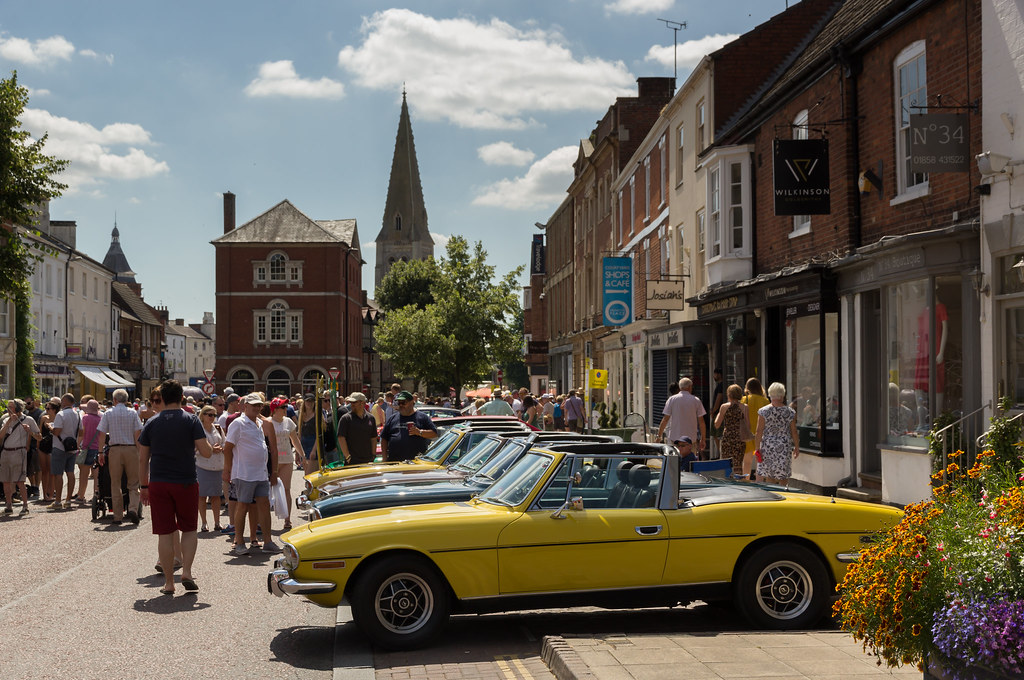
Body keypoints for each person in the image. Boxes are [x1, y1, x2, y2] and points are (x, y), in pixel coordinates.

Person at [139, 380, 211, 595]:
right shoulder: (191, 420)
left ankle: (169, 582)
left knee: (165, 532)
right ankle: (186, 571)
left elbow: (143, 459)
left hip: (159, 482)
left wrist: (143, 485)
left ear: (162, 398)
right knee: (189, 528)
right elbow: (206, 452)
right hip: (186, 480)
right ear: (181, 397)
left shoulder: (151, 423)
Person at [222, 393, 279, 555]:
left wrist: (272, 472)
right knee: (243, 506)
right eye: (253, 405)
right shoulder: (238, 424)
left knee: (264, 505)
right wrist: (227, 470)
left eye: (259, 405)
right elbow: (227, 448)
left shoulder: (260, 423)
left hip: (260, 473)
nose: (256, 408)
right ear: (244, 406)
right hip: (244, 474)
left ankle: (267, 541)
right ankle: (240, 542)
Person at [96, 388, 144, 524]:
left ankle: (117, 516)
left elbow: (101, 434)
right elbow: (137, 434)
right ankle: (133, 509)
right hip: (131, 449)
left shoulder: (108, 413)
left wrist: (100, 452)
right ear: (127, 400)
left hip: (115, 450)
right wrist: (139, 451)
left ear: (115, 400)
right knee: (133, 483)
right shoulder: (133, 413)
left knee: (115, 483)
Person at [754, 382, 799, 486]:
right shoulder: (790, 412)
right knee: (783, 476)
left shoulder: (763, 411)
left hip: (768, 445)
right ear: (782, 395)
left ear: (770, 394)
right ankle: (784, 495)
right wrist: (797, 446)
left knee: (770, 475)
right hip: (784, 446)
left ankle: (773, 496)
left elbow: (759, 431)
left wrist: (757, 448)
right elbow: (794, 431)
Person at [1, 399, 41, 514]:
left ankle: (25, 506)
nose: (8, 409)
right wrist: (8, 422)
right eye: (8, 407)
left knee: (19, 481)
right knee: (6, 481)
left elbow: (39, 437)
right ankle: (8, 505)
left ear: (18, 408)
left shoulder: (28, 419)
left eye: (11, 407)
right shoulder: (6, 419)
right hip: (5, 452)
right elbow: (1, 436)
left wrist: (30, 432)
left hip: (19, 452)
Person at [269, 397, 302, 530]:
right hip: (271, 461)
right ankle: (262, 522)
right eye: (283, 407)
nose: (286, 409)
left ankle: (287, 519)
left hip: (286, 459)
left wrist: (301, 455)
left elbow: (295, 440)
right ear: (275, 410)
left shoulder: (288, 422)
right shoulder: (267, 422)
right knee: (267, 491)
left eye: (286, 407)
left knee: (286, 489)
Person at [657, 378, 707, 461]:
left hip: (675, 439)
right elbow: (701, 422)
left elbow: (665, 419)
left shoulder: (672, 399)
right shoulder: (696, 400)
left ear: (680, 387)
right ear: (690, 387)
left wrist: (659, 436)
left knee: (673, 464)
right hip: (690, 440)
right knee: (690, 465)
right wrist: (703, 439)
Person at [379, 391, 437, 461]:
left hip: (415, 464)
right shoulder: (393, 418)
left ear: (412, 402)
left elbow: (434, 433)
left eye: (403, 403)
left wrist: (419, 432)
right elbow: (384, 438)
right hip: (395, 463)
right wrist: (384, 458)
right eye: (399, 403)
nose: (401, 405)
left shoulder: (422, 417)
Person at [195, 405, 225, 532]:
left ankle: (217, 522)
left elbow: (224, 442)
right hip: (202, 465)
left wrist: (220, 448)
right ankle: (204, 522)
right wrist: (211, 450)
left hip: (217, 466)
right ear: (203, 415)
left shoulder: (217, 428)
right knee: (202, 496)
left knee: (216, 496)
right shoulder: (197, 429)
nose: (212, 417)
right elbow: (194, 447)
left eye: (214, 415)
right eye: (210, 415)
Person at [49, 393, 81, 510]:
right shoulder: (78, 414)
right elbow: (81, 432)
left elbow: (57, 432)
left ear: (65, 402)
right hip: (72, 447)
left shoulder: (61, 414)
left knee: (58, 474)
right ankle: (68, 500)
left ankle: (58, 501)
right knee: (70, 472)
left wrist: (50, 428)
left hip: (59, 447)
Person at [714, 384, 750, 479]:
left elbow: (717, 424)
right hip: (739, 439)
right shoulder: (745, 407)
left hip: (727, 438)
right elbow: (748, 425)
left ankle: (727, 482)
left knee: (726, 463)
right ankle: (739, 483)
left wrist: (717, 415)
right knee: (738, 464)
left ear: (729, 394)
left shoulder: (724, 407)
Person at [740, 378, 770, 481]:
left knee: (747, 461)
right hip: (761, 433)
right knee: (759, 460)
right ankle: (759, 481)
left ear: (747, 388)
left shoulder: (744, 399)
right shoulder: (765, 400)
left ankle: (746, 481)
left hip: (747, 433)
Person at [338, 392, 378, 466]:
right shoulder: (346, 419)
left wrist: (373, 455)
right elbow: (341, 438)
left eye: (354, 402)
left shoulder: (371, 418)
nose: (351, 405)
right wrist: (347, 457)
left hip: (368, 461)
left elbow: (374, 438)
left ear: (363, 403)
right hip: (352, 462)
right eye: (351, 402)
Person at [75, 399, 102, 503]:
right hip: (97, 449)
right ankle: (96, 495)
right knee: (96, 475)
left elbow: (82, 433)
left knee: (84, 474)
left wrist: (78, 445)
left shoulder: (85, 418)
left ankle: (81, 495)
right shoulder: (100, 419)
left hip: (87, 448)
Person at [709, 368, 724, 459]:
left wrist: (713, 410)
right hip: (717, 413)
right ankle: (719, 453)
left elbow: (719, 399)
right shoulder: (719, 385)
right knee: (715, 434)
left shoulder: (720, 386)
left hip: (718, 414)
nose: (714, 376)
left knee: (718, 434)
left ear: (719, 374)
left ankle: (720, 454)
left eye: (715, 374)